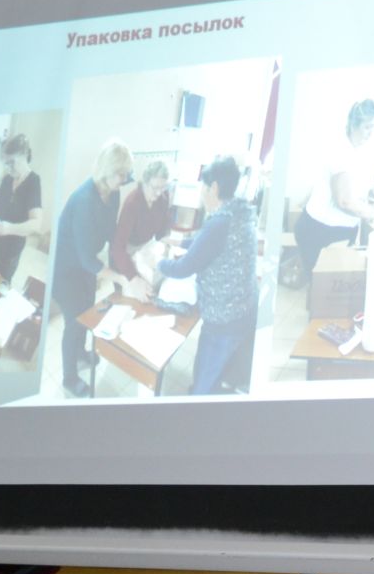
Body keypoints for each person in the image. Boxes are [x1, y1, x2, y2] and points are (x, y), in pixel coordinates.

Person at [152, 156, 257, 396]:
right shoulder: (239, 211)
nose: (201, 194)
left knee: (205, 377)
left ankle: (198, 408)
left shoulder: (220, 222)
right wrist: (179, 241)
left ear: (214, 188)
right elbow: (205, 242)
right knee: (218, 368)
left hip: (225, 316)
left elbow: (183, 269)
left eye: (203, 188)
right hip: (244, 308)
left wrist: (158, 262)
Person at [51, 139, 133, 398]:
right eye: (122, 174)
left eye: (126, 174)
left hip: (83, 265)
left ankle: (81, 353)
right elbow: (88, 260)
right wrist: (119, 276)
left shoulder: (113, 191)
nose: (125, 179)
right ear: (107, 172)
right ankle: (69, 378)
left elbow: (111, 234)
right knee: (75, 321)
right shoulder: (85, 200)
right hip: (65, 269)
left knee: (89, 310)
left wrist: (123, 268)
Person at [289, 99, 374, 284]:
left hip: (337, 230)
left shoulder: (359, 150)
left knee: (329, 293)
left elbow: (356, 191)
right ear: (354, 124)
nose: (371, 133)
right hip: (321, 232)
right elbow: (344, 201)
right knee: (326, 293)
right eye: (368, 127)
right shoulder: (340, 151)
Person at [0, 131, 45, 285]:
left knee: (1, 284)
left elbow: (36, 225)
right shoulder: (7, 179)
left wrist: (10, 228)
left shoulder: (33, 182)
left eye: (12, 162)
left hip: (10, 250)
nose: (8, 167)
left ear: (24, 155)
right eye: (6, 163)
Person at [110, 159, 173, 283]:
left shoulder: (163, 198)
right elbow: (118, 247)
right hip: (126, 251)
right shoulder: (132, 203)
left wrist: (166, 248)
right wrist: (133, 277)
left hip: (146, 246)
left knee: (158, 279)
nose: (159, 192)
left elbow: (163, 230)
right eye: (155, 187)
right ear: (144, 182)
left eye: (163, 187)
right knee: (137, 286)